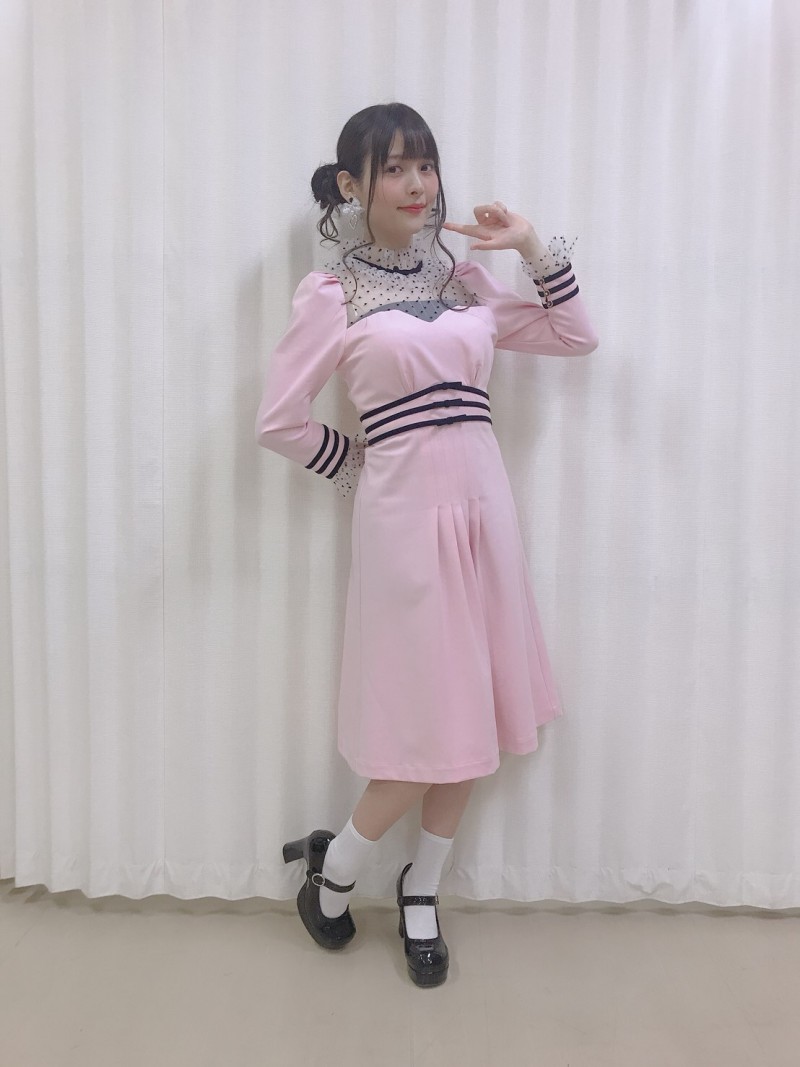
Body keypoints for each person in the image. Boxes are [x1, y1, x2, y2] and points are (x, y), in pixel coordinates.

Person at [256, 102, 599, 987]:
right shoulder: (332, 293)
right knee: (427, 717)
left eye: (426, 165)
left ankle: (422, 887)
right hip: (404, 524)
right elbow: (279, 420)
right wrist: (358, 466)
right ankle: (336, 869)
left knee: (474, 707)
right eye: (396, 168)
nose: (417, 185)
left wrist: (530, 246)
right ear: (352, 184)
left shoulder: (464, 282)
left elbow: (574, 335)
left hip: (486, 513)